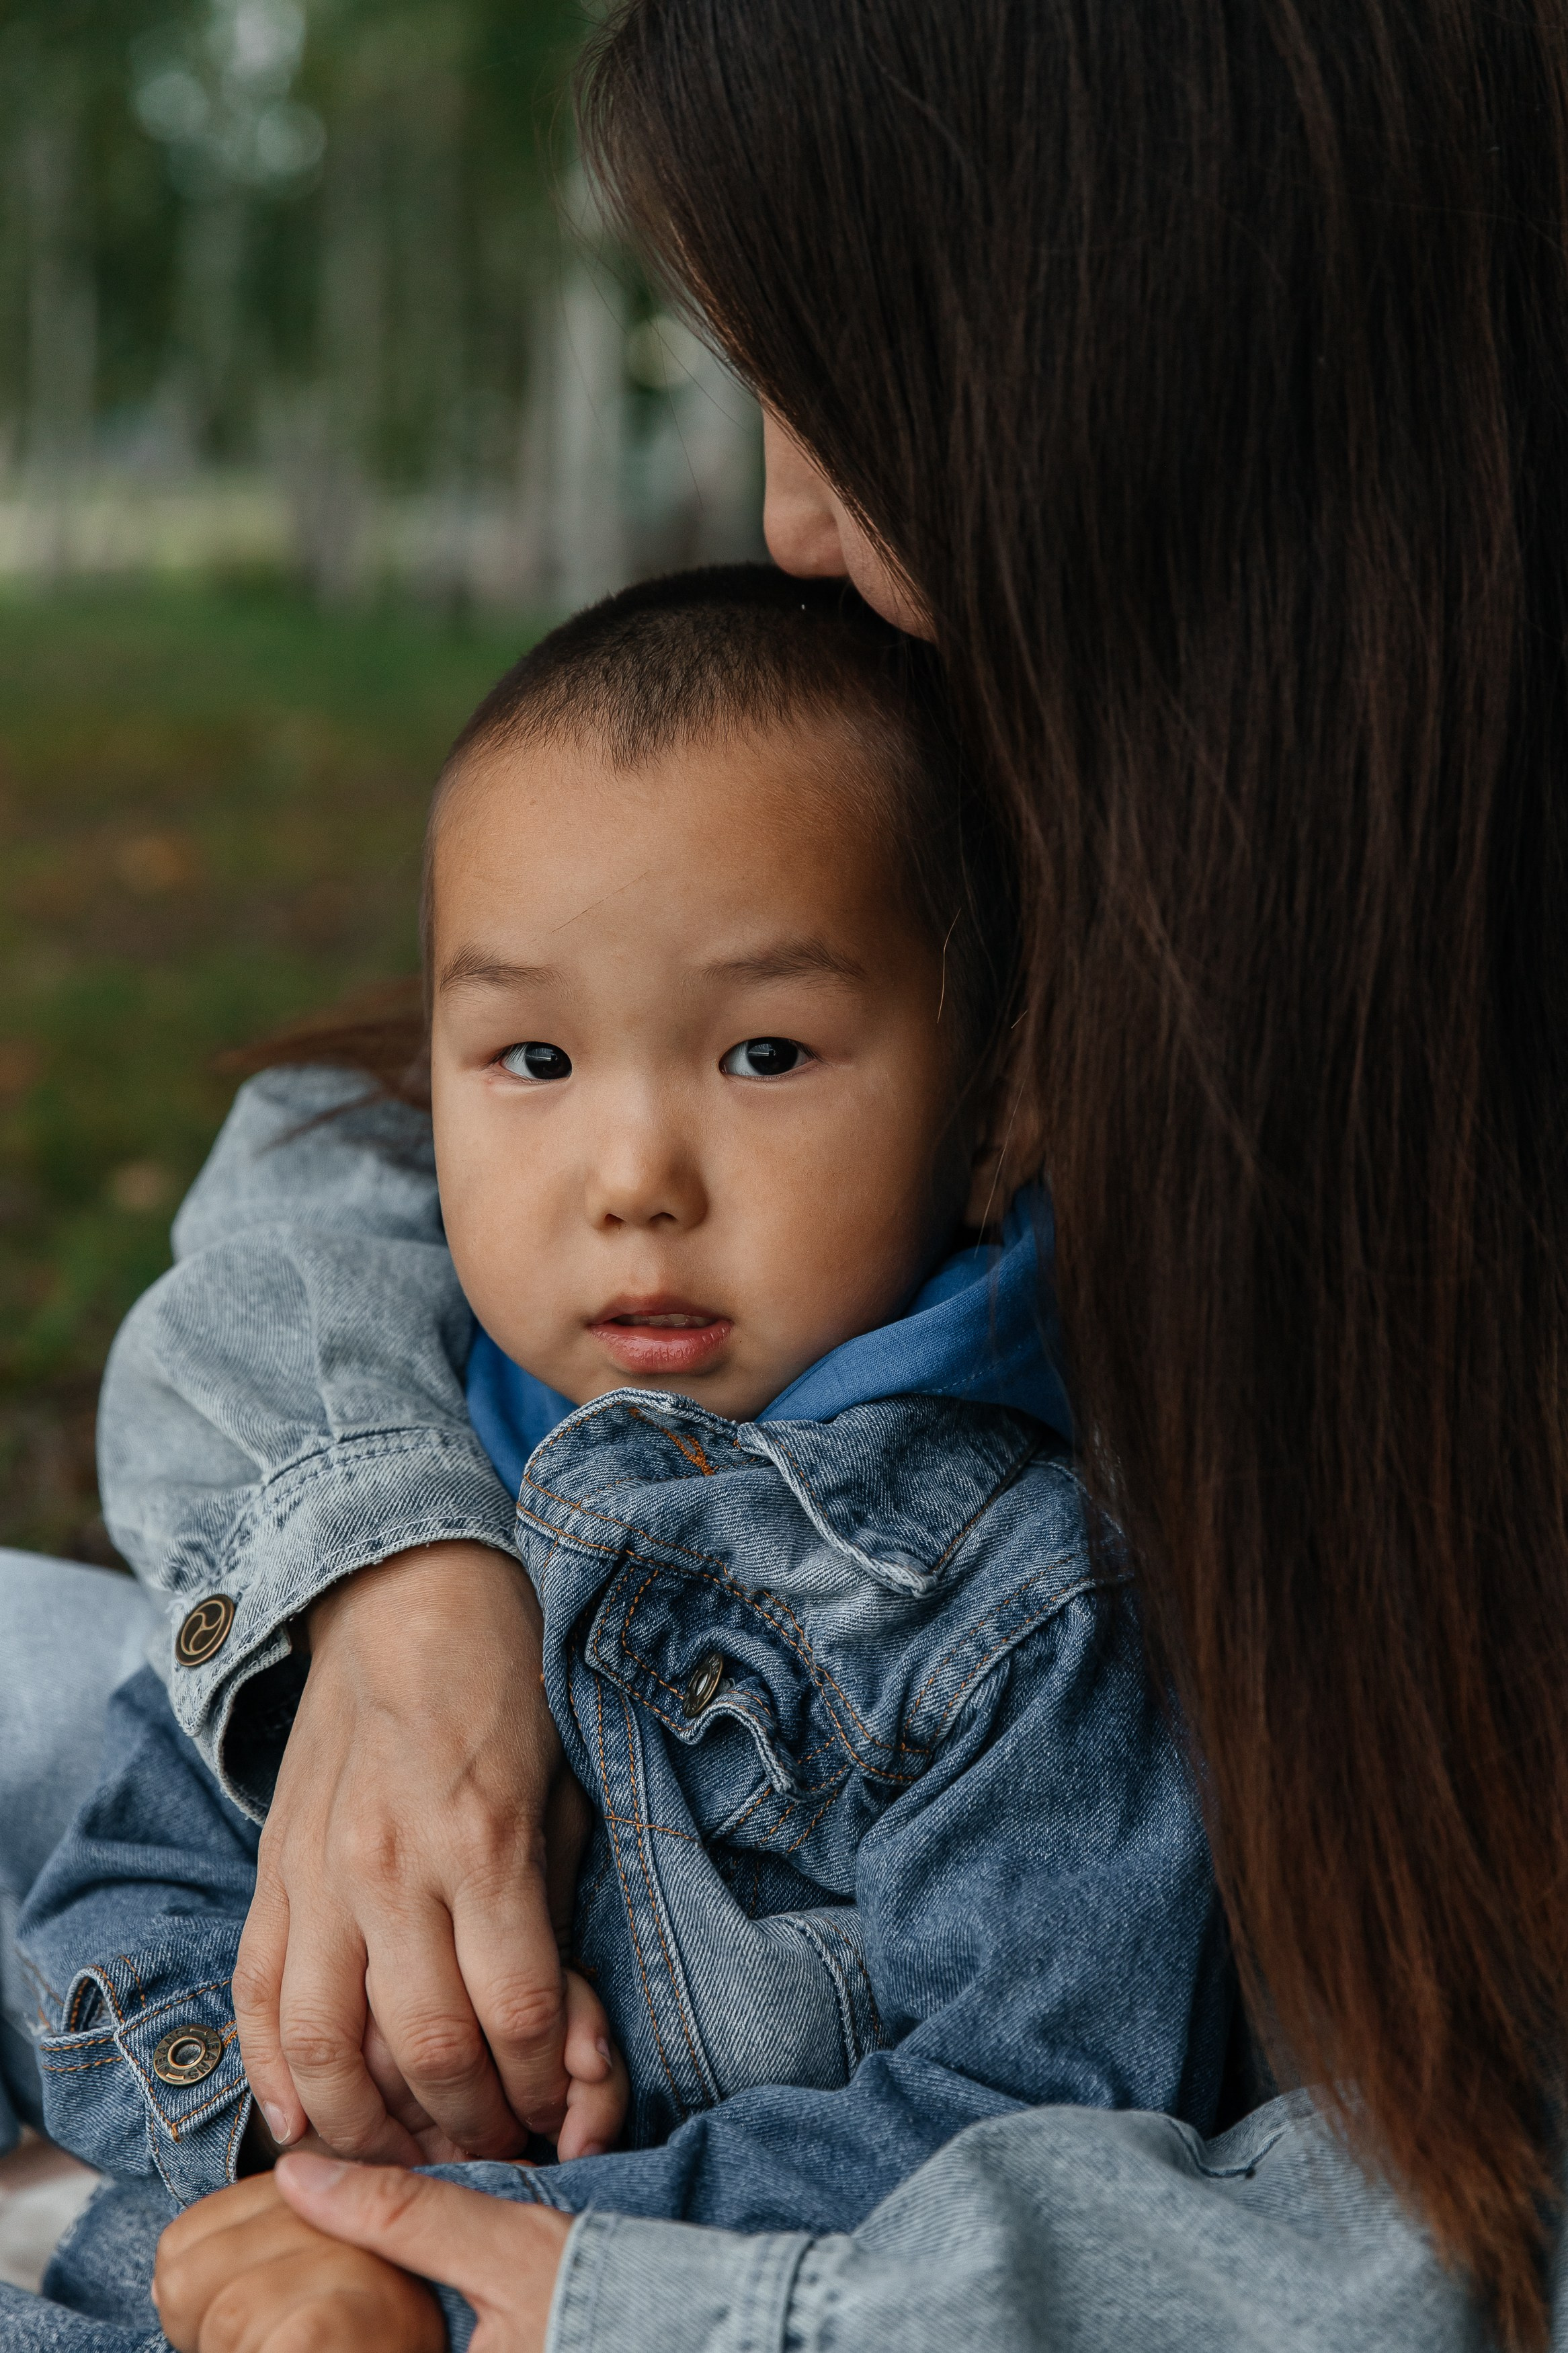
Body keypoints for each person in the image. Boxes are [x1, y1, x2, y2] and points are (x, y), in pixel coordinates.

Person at [3, 0, 1565, 2345]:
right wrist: (401, 1589)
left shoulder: (1031, 1584)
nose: (786, 518)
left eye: (848, 383)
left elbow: (1368, 2211)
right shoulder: (1062, 800)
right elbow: (348, 1139)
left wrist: (537, 2274)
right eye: (534, 1056)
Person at [15, 567, 1229, 2317]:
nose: (633, 1173)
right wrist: (288, 2156)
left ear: (994, 1109)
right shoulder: (428, 1448)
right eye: (531, 1055)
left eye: (762, 1049)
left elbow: (1034, 2123)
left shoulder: (1014, 1608)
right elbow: (130, 1870)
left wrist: (472, 2245)